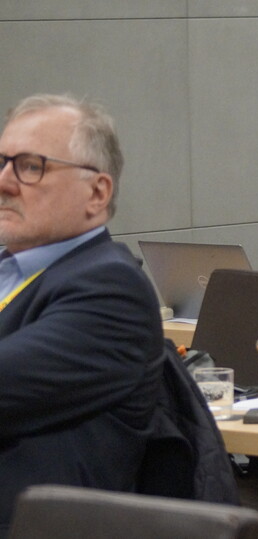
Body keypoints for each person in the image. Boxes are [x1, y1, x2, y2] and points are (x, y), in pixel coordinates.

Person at [0, 94, 164, 536]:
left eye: (30, 166)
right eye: (1, 163)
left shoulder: (112, 290)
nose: (4, 182)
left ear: (96, 192)